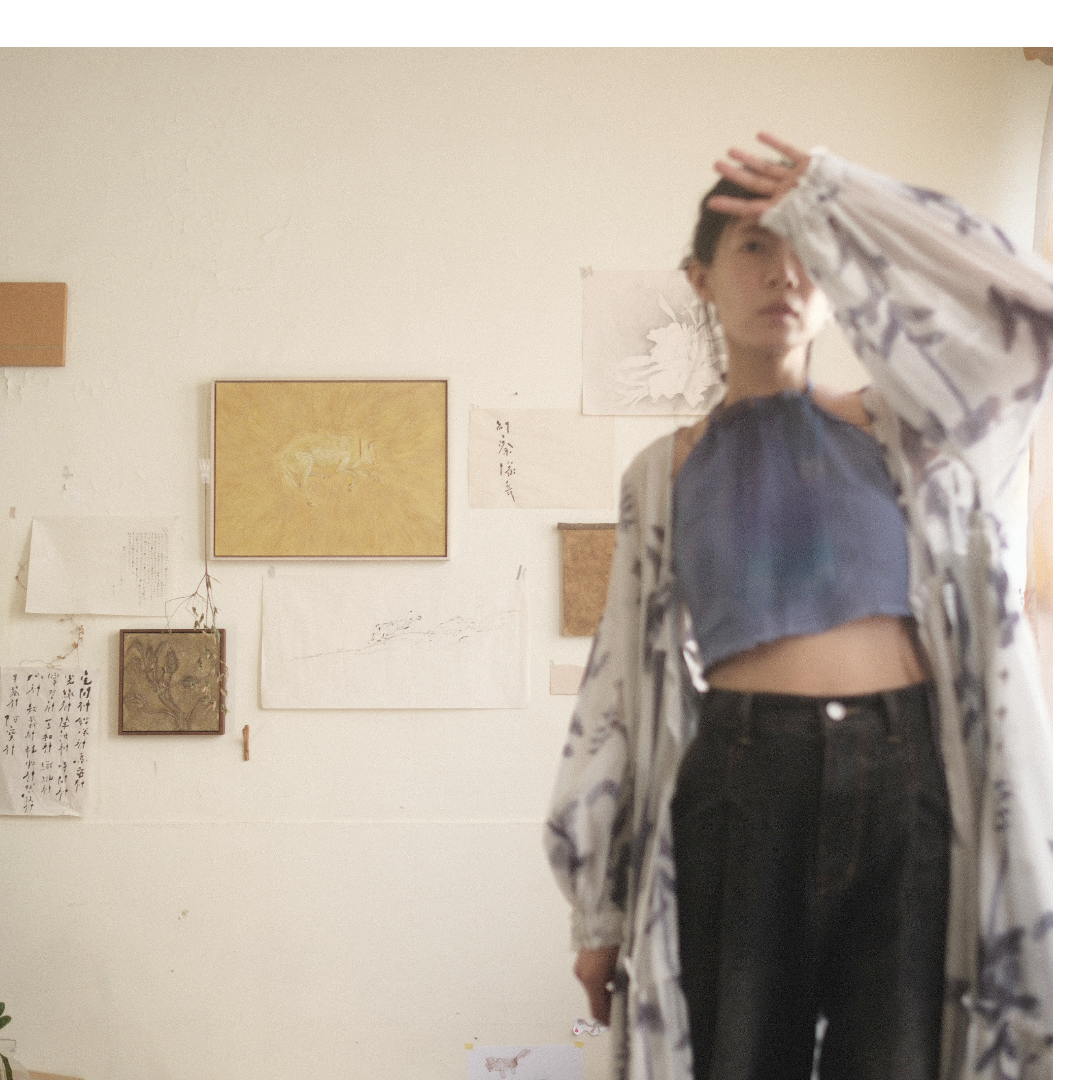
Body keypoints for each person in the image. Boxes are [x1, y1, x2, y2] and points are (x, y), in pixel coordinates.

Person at [544, 135, 1052, 1080]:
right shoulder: (665, 473)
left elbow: (1035, 316)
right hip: (740, 782)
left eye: (806, 250)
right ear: (700, 279)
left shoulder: (910, 432)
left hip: (906, 776)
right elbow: (616, 687)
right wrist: (599, 912)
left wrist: (847, 200)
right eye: (754, 248)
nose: (783, 274)